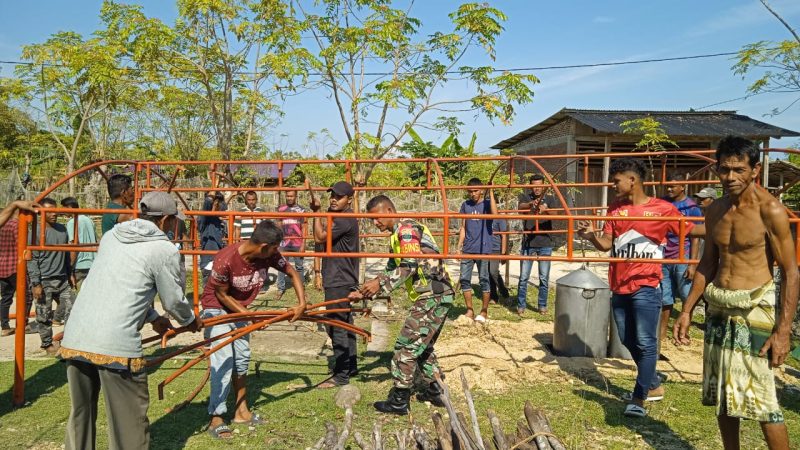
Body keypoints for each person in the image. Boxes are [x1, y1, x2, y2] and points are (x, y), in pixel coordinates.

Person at [674, 136, 798, 450]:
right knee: (723, 395)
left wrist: (783, 331)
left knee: (763, 401)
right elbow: (707, 263)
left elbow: (791, 271)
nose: (731, 177)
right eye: (725, 169)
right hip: (718, 307)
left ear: (755, 170)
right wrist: (688, 309)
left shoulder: (771, 211)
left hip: (755, 310)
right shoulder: (716, 210)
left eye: (739, 169)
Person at [60, 191, 202, 450]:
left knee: (81, 417)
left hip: (76, 337)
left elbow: (117, 287)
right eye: (174, 222)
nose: (174, 226)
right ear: (166, 219)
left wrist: (153, 317)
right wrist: (191, 320)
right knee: (129, 427)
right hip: (115, 345)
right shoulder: (164, 249)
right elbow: (173, 301)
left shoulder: (112, 236)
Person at [577, 157, 699, 418]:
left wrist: (726, 232)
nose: (613, 185)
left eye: (616, 181)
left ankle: (639, 397)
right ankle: (653, 383)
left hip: (646, 283)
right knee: (627, 338)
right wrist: (590, 236)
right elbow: (606, 244)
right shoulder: (615, 209)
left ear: (632, 180)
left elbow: (691, 232)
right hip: (619, 284)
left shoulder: (662, 210)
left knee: (645, 340)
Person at [201, 220, 306, 440]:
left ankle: (241, 411)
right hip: (216, 308)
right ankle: (217, 417)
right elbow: (221, 295)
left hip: (241, 309)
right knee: (223, 359)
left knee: (242, 358)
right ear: (264, 246)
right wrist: (250, 317)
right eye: (275, 248)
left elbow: (292, 272)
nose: (277, 253)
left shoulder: (268, 255)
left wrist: (301, 303)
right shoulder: (225, 259)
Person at [350, 195, 455, 414]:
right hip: (435, 294)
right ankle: (436, 390)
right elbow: (391, 269)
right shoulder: (396, 237)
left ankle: (399, 400)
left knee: (405, 347)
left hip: (433, 295)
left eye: (376, 218)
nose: (375, 223)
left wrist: (379, 284)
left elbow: (409, 264)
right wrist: (365, 292)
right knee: (422, 347)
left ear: (389, 211)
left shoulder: (406, 229)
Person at [310, 181, 360, 388]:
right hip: (342, 276)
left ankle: (341, 375)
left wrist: (315, 212)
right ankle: (350, 365)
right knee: (344, 322)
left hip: (339, 278)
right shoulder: (340, 217)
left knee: (336, 324)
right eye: (332, 195)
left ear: (349, 199)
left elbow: (320, 237)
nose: (333, 199)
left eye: (338, 196)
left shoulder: (343, 219)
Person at [28, 198, 75, 355]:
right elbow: (32, 259)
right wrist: (36, 284)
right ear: (42, 213)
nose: (54, 213)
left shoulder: (62, 229)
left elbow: (66, 253)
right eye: (50, 211)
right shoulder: (35, 232)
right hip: (44, 280)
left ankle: (69, 340)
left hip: (62, 278)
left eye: (55, 210)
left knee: (73, 308)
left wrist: (70, 273)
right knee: (44, 315)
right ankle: (47, 345)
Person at [659, 174, 703, 342]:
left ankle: (683, 333)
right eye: (667, 186)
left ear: (682, 187)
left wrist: (692, 264)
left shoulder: (691, 207)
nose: (669, 189)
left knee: (686, 295)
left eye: (672, 186)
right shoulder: (663, 203)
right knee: (665, 296)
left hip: (683, 255)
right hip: (664, 254)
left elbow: (695, 238)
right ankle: (662, 333)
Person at [456, 177, 497, 321]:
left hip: (483, 249)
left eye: (475, 191)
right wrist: (459, 246)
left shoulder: (486, 205)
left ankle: (484, 311)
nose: (472, 194)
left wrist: (491, 191)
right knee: (464, 279)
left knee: (484, 279)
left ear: (481, 190)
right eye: (470, 191)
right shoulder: (465, 205)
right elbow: (463, 227)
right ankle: (469, 310)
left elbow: (495, 214)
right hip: (468, 248)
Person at [517, 174, 558, 316]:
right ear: (530, 186)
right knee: (523, 277)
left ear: (543, 185)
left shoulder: (550, 198)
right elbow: (520, 208)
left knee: (544, 278)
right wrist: (531, 205)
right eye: (534, 186)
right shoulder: (525, 198)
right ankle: (521, 305)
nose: (537, 188)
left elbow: (556, 213)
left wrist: (544, 208)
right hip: (528, 242)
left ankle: (542, 305)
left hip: (545, 242)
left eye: (539, 185)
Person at [0, 200, 39, 336]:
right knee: (26, 296)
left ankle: (4, 326)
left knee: (6, 298)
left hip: (3, 266)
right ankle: (24, 323)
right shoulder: (18, 225)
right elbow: (20, 246)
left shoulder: (3, 225)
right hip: (16, 267)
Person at [56, 197, 97, 326]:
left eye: (63, 209)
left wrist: (70, 267)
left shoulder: (72, 222)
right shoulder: (89, 220)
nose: (63, 212)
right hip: (92, 261)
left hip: (79, 262)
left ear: (69, 208)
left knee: (67, 291)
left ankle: (58, 317)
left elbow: (74, 245)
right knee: (88, 292)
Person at [276, 188, 307, 301]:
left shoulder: (301, 210)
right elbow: (278, 226)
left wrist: (304, 243)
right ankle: (280, 288)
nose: (289, 198)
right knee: (281, 266)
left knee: (299, 266)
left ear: (296, 196)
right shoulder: (281, 209)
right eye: (288, 196)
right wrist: (277, 242)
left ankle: (301, 288)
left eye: (291, 196)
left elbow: (304, 227)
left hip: (297, 243)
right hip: (284, 243)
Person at [199, 192, 228, 280]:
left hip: (217, 260)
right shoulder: (206, 220)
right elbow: (207, 203)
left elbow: (223, 207)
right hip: (208, 262)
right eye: (219, 205)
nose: (222, 208)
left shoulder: (219, 221)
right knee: (209, 286)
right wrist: (212, 195)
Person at [488, 217, 510, 303]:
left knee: (493, 272)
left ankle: (505, 294)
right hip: (485, 249)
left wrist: (503, 253)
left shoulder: (499, 218)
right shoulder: (485, 216)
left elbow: (503, 236)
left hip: (495, 249)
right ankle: (494, 296)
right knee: (488, 273)